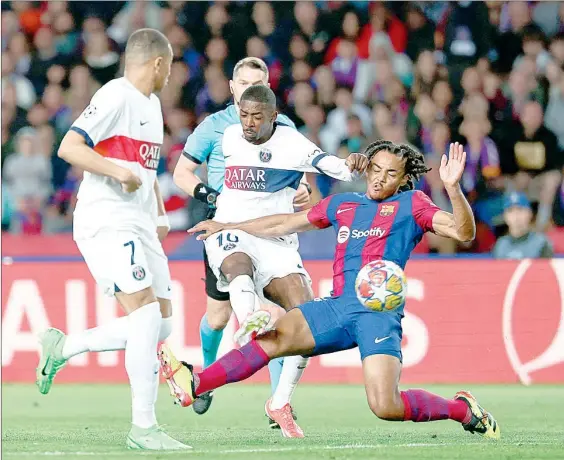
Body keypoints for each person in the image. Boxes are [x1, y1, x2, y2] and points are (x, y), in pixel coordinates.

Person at [159, 141, 500, 440]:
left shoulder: (414, 204)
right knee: (270, 339)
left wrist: (453, 190)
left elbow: (462, 232)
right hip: (337, 308)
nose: (380, 177)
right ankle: (196, 384)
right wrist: (227, 224)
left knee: (385, 405)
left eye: (390, 173)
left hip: (377, 316)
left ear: (403, 179)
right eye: (376, 168)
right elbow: (282, 222)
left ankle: (462, 410)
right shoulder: (343, 204)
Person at [177, 83, 367, 438]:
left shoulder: (292, 144)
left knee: (310, 320)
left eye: (256, 117)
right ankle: (248, 321)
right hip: (229, 229)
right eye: (244, 115)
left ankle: (279, 402)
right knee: (237, 265)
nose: (248, 123)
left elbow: (334, 167)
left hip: (275, 239)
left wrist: (352, 163)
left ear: (274, 117)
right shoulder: (230, 136)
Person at [34, 29, 190, 450]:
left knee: (162, 323)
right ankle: (144, 429)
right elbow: (70, 146)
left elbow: (145, 167)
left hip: (139, 222)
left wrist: (156, 211)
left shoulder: (152, 106)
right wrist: (114, 171)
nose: (170, 75)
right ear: (157, 63)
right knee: (143, 318)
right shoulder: (115, 95)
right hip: (106, 219)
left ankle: (63, 347)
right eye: (170, 66)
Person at [172, 56, 313, 428]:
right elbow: (181, 172)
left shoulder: (284, 127)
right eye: (244, 83)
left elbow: (297, 176)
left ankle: (277, 403)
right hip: (226, 228)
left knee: (279, 316)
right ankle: (206, 376)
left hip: (268, 230)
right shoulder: (214, 126)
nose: (250, 90)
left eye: (259, 83)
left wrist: (302, 191)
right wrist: (209, 196)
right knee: (218, 317)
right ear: (232, 87)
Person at [492, 192, 554, 259]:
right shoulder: (501, 245)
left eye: (520, 209)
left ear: (530, 213)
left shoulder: (541, 243)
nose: (516, 215)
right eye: (510, 210)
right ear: (505, 216)